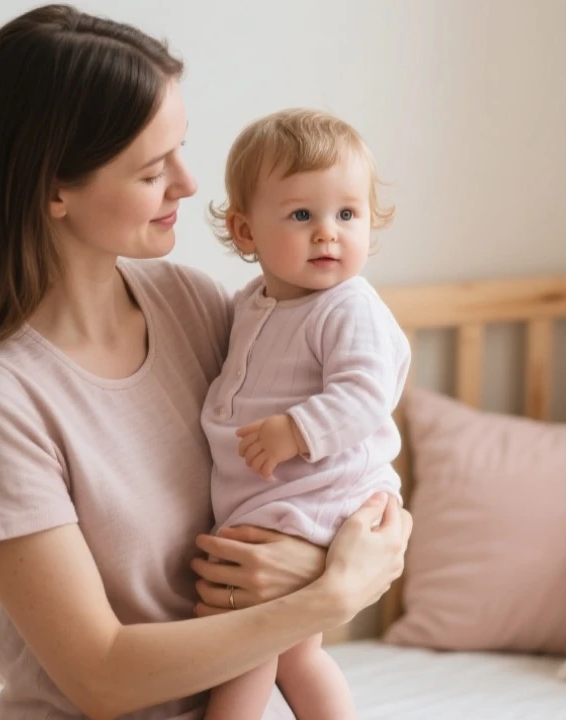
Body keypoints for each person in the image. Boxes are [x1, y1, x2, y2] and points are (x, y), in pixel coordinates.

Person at [0, 5, 411, 719]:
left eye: (181, 151)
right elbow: (100, 675)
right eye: (154, 169)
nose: (189, 185)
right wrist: (330, 593)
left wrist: (333, 557)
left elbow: (343, 479)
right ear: (53, 189)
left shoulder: (196, 305)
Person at [200, 109, 411, 719]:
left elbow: (369, 392)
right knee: (292, 654)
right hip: (272, 498)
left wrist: (298, 429)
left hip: (320, 496)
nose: (328, 233)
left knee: (244, 643)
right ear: (245, 233)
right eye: (302, 215)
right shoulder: (251, 304)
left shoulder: (350, 308)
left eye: (347, 215)